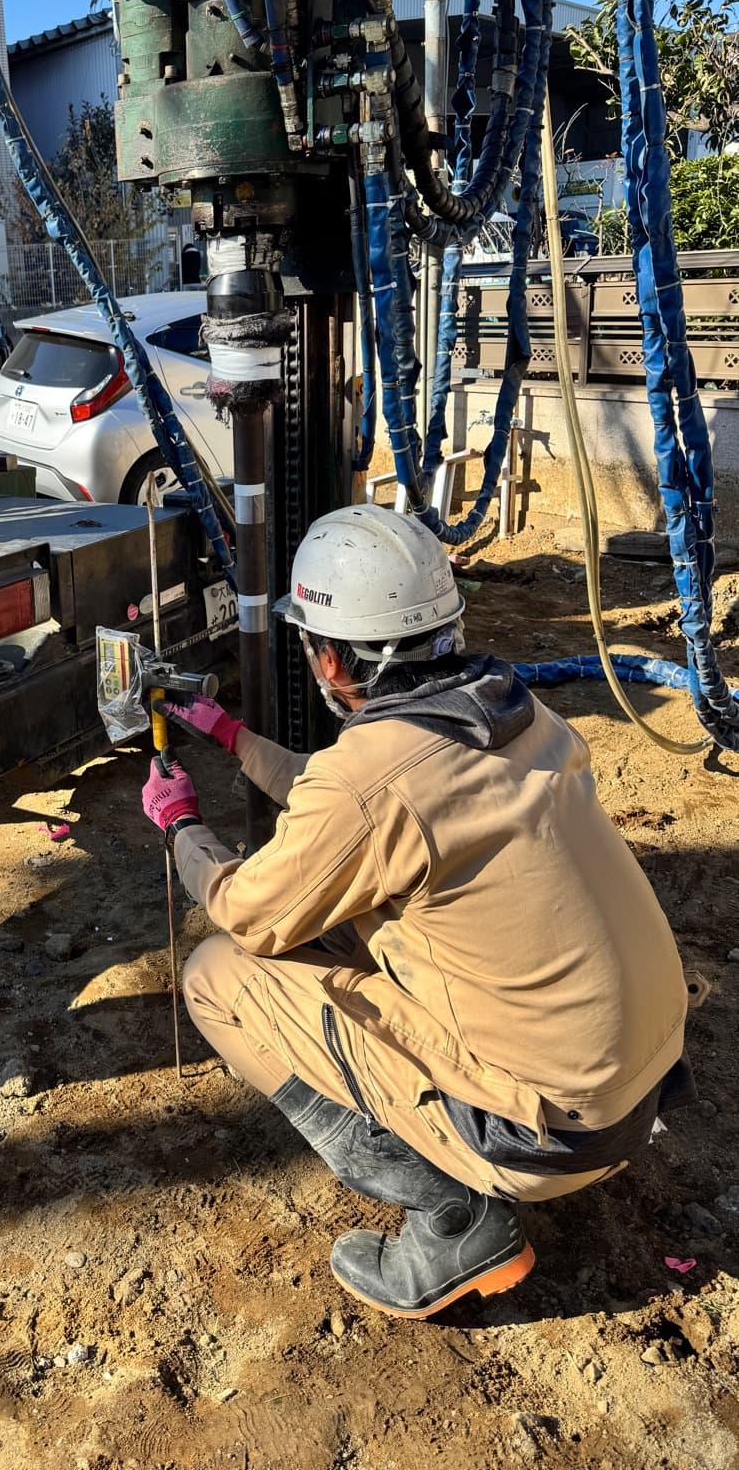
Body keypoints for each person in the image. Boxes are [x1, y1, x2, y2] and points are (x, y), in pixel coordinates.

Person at [142, 504, 690, 1320]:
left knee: (219, 974)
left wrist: (180, 824)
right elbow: (356, 804)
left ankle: (452, 1217)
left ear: (330, 656)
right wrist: (233, 738)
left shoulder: (373, 779)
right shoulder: (509, 713)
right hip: (633, 1091)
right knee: (345, 925)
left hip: (541, 1138)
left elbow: (248, 912)